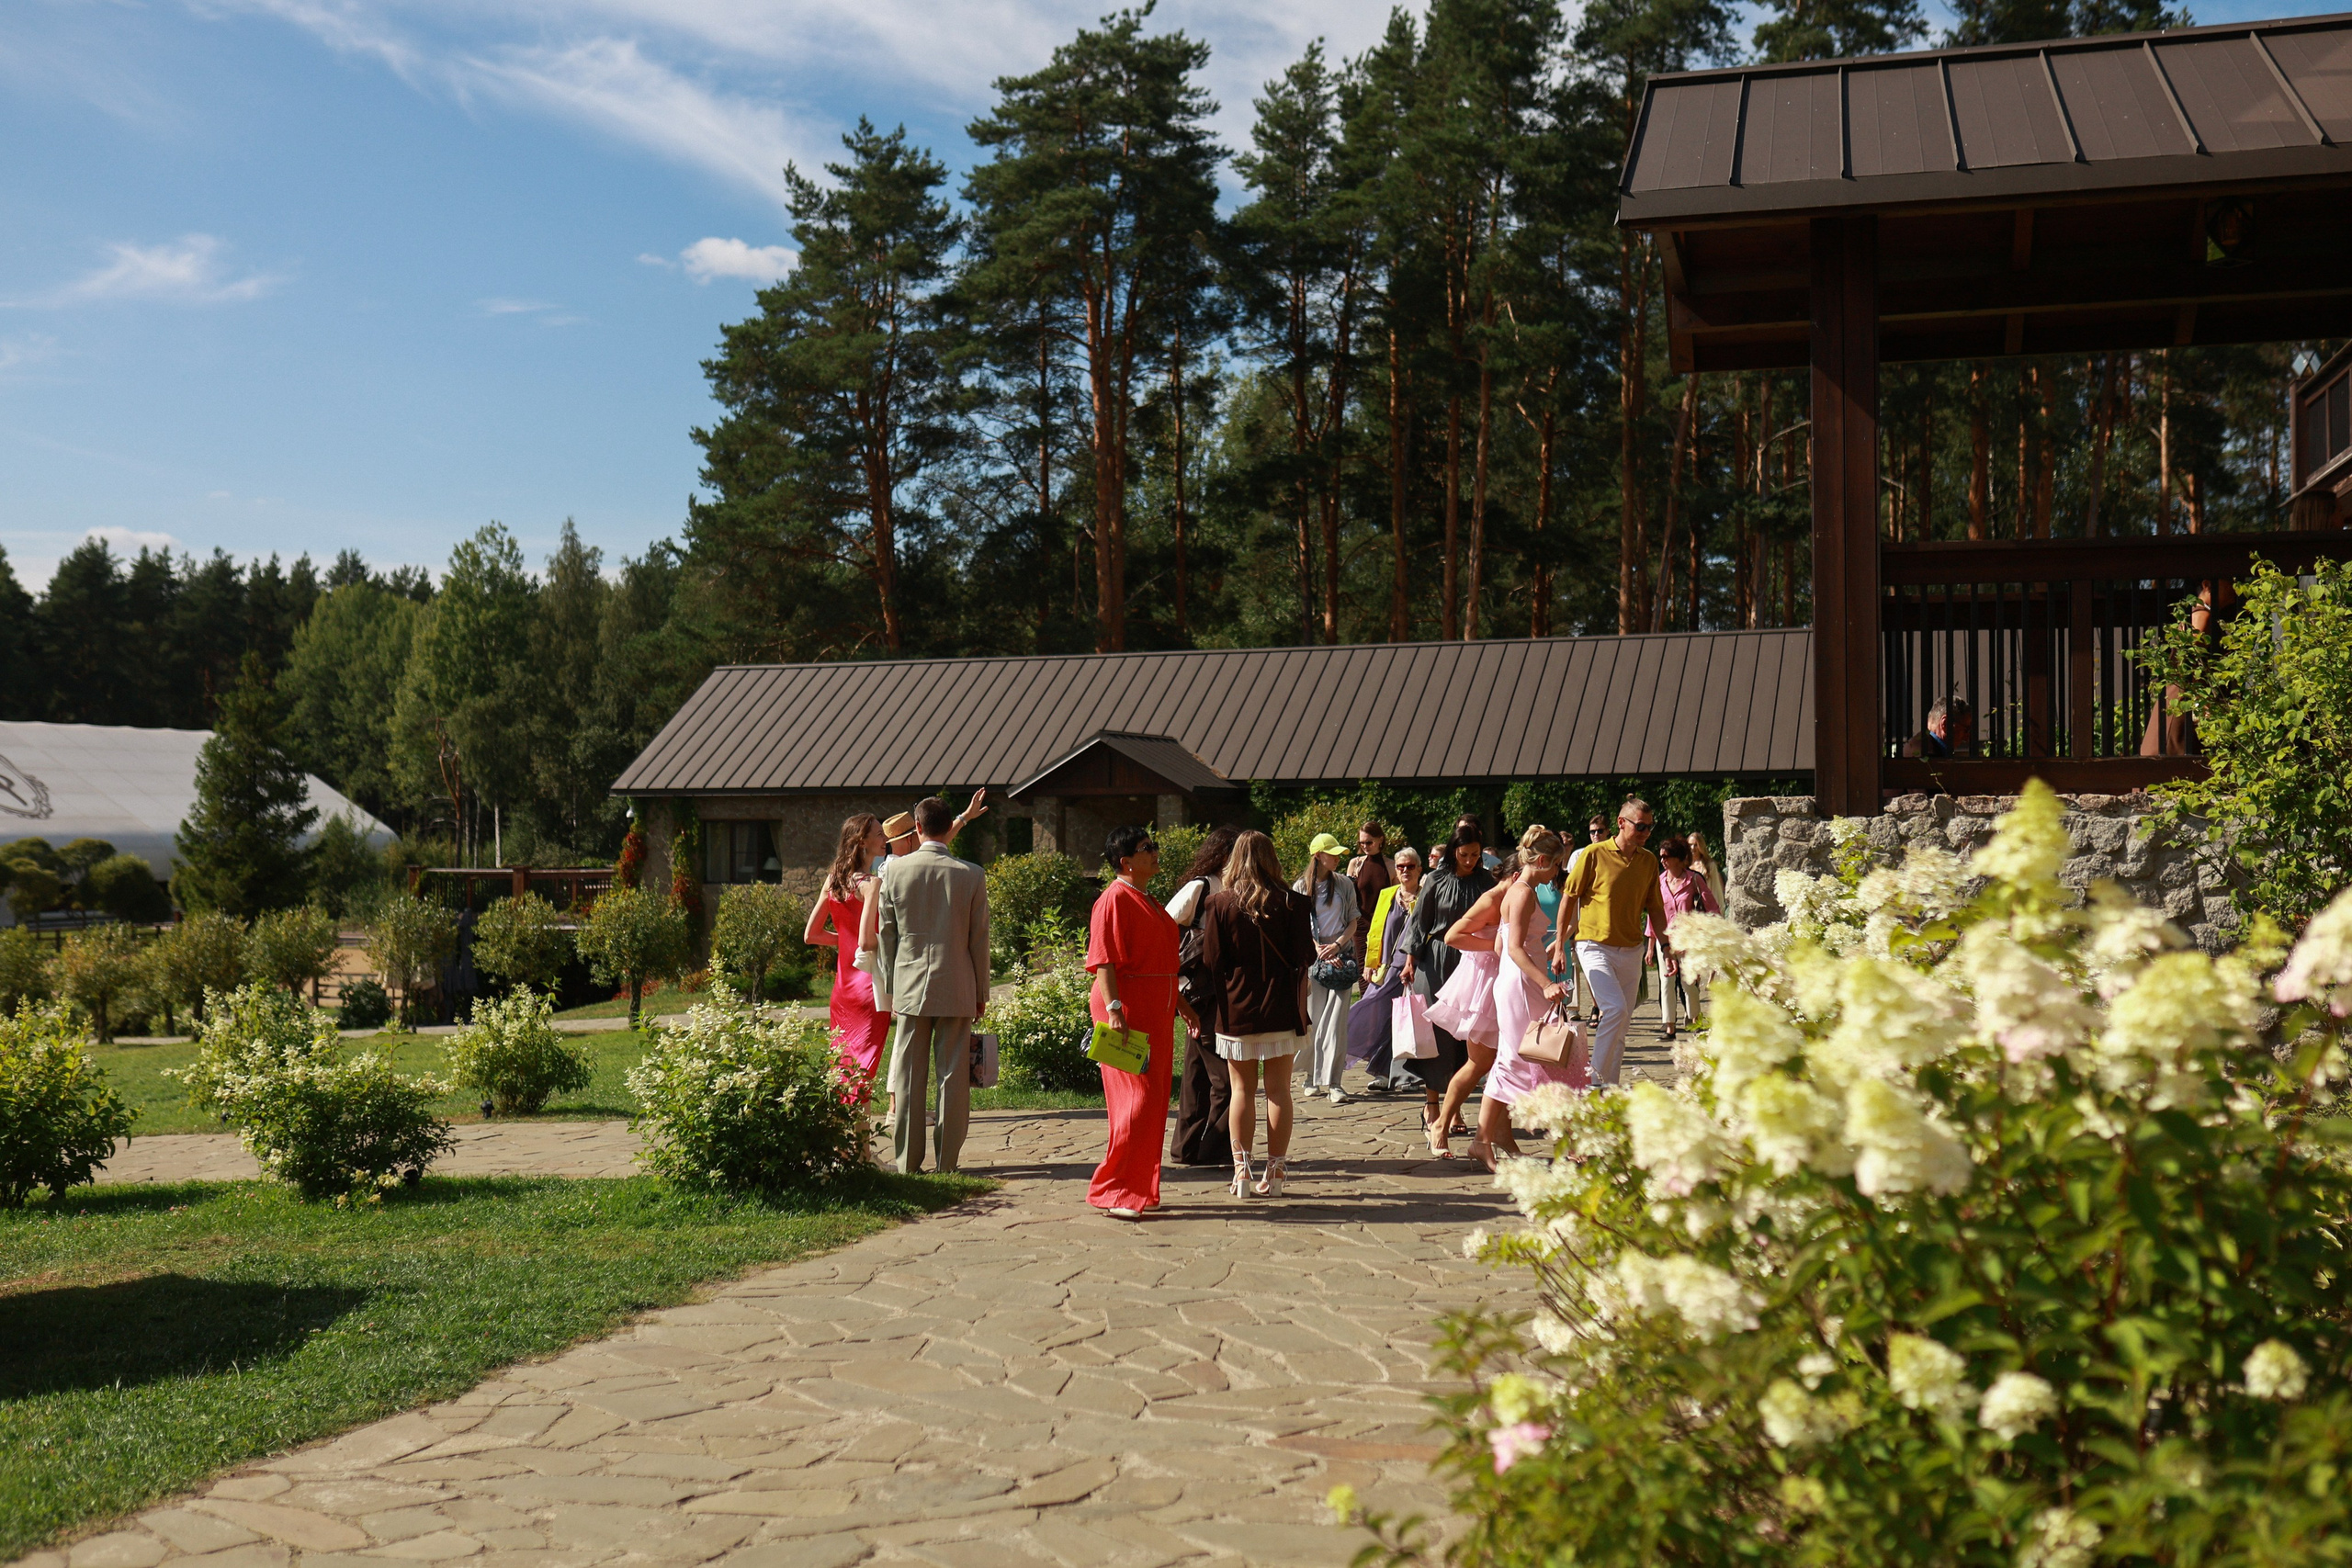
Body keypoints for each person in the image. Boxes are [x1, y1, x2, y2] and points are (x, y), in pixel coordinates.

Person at [876, 796, 992, 1175]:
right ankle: (948, 1163)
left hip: (909, 986)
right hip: (958, 982)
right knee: (953, 1076)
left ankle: (908, 1161)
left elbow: (886, 937)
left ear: (917, 828)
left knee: (909, 1075)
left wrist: (890, 990)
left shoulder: (892, 872)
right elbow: (980, 940)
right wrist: (981, 993)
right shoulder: (971, 874)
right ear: (947, 828)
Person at [1200, 829, 1316, 1199]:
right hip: (1282, 1007)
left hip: (1237, 1009)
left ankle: (1242, 1175)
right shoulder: (1295, 903)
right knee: (1280, 1090)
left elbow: (1211, 960)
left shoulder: (1218, 903)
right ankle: (1277, 1173)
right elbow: (1305, 958)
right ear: (1272, 858)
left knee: (1241, 1090)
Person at [1086, 826, 1194, 1221]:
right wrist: (1114, 1009)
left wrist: (1182, 1004)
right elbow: (1103, 960)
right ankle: (1113, 1189)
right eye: (1147, 848)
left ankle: (1138, 1188)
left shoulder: (1146, 898)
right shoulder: (1113, 899)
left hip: (1158, 1013)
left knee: (1153, 1105)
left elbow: (1162, 963)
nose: (1156, 852)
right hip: (1127, 1013)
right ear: (1125, 861)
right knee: (1135, 1103)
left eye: (1155, 844)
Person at [1485, 827, 1584, 1162]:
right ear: (1542, 861)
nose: (1558, 872)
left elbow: (1501, 944)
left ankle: (1495, 1135)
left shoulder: (1516, 889)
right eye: (1556, 865)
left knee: (1526, 1058)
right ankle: (1486, 1139)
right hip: (1524, 984)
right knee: (1530, 1058)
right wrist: (1544, 982)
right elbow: (1512, 948)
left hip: (1517, 981)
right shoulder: (1524, 892)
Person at [1562, 797, 1672, 1086]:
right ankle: (1593, 1084)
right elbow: (1569, 896)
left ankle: (1608, 1089)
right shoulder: (1593, 853)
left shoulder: (1648, 860)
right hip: (1593, 944)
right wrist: (1561, 941)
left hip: (1632, 948)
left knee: (1621, 1025)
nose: (1646, 832)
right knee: (1615, 1009)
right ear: (1622, 823)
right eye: (1640, 826)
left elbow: (1656, 908)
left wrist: (1667, 947)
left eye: (1650, 827)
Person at [1400, 827, 1495, 1153]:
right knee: (1437, 1034)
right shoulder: (1436, 880)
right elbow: (1419, 921)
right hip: (1437, 959)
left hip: (1473, 962)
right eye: (1464, 854)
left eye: (1475, 855)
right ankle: (1432, 1104)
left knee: (1466, 1036)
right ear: (1454, 850)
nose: (1469, 861)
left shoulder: (1486, 883)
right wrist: (1410, 958)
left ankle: (1455, 1107)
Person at [1427, 861, 1513, 1166]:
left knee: (1505, 1063)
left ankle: (1501, 1132)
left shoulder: (1514, 897)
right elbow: (1453, 936)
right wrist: (1497, 943)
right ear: (1515, 875)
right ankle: (1440, 1123)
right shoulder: (1492, 899)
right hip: (1484, 984)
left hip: (1506, 981)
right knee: (1479, 1063)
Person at [1166, 826, 1242, 1166]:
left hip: (1218, 992)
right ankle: (1214, 1150)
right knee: (1226, 1080)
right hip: (1199, 993)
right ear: (1224, 854)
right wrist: (1176, 984)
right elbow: (1164, 927)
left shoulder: (1235, 889)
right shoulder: (1200, 887)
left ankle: (1185, 1148)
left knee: (1196, 1076)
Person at [803, 814, 889, 1090]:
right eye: (878, 833)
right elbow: (866, 942)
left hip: (842, 990)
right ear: (862, 841)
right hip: (868, 989)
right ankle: (861, 1134)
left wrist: (846, 941)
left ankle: (850, 1132)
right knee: (863, 1069)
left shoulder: (833, 881)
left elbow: (811, 935)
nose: (884, 838)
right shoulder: (871, 883)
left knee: (843, 1069)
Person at [1346, 845, 1423, 1089]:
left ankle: (1404, 1074)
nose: (1405, 871)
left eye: (1410, 866)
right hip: (1387, 969)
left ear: (1419, 869)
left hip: (1414, 969)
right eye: (1400, 867)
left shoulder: (1425, 897)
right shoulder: (1387, 894)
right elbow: (1375, 931)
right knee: (1372, 1014)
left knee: (1406, 1022)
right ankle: (1374, 1066)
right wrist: (1370, 964)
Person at [1295, 832, 1361, 1103]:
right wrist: (1319, 950)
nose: (1336, 858)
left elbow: (1353, 921)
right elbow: (1298, 926)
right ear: (1317, 856)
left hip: (1341, 959)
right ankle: (1311, 1078)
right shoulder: (1300, 887)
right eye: (1331, 853)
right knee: (1313, 1020)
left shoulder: (1344, 884)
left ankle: (1335, 1082)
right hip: (1313, 962)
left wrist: (1336, 945)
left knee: (1336, 1024)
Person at [1651, 835, 1722, 1040]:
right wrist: (1649, 945)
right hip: (1664, 940)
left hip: (1688, 939)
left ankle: (1695, 1023)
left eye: (1667, 856)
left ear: (1680, 858)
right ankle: (1669, 1027)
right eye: (1661, 856)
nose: (1663, 859)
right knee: (1666, 983)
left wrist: (1711, 936)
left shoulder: (1694, 879)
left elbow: (1712, 908)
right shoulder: (1659, 881)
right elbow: (1653, 913)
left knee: (1689, 983)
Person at [1345, 820, 1394, 967]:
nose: (1365, 846)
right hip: (1360, 925)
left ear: (1380, 840)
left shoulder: (1391, 865)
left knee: (1382, 969)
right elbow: (1348, 897)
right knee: (1362, 971)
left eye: (1369, 842)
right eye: (1362, 843)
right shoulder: (1355, 864)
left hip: (1383, 924)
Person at [1903, 697, 1974, 759]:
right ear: (1945, 724)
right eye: (1966, 730)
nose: (1967, 738)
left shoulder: (1922, 745)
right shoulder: (1927, 756)